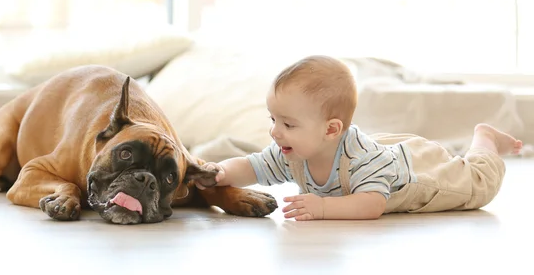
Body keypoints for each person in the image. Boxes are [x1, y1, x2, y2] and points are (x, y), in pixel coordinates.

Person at [195, 55, 523, 221]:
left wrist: (323, 207)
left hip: (419, 176)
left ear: (330, 129)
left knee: (478, 185)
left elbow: (372, 204)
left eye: (288, 124)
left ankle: (485, 141)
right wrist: (220, 172)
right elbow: (251, 166)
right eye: (273, 120)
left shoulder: (363, 162)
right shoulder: (291, 150)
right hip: (385, 148)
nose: (274, 131)